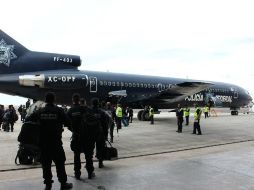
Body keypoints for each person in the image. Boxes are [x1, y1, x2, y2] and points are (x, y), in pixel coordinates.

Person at [26, 92, 73, 190]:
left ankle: (48, 185)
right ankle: (63, 184)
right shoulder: (59, 111)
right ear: (54, 99)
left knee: (46, 165)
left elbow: (28, 119)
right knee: (60, 164)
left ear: (46, 100)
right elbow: (68, 122)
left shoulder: (40, 111)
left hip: (43, 144)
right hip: (56, 143)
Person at [67, 93, 96, 180]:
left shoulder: (70, 111)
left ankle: (77, 174)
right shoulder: (85, 109)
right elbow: (93, 120)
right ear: (79, 100)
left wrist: (73, 130)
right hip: (87, 136)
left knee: (76, 156)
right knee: (88, 156)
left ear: (73, 100)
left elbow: (67, 123)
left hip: (76, 136)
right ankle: (90, 173)